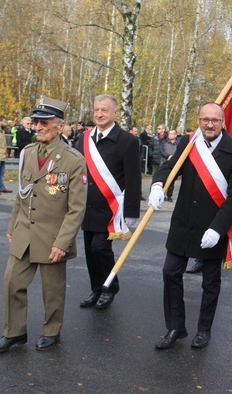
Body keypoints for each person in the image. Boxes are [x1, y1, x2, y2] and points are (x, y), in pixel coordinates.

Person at [0, 96, 87, 353]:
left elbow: (76, 208)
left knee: (52, 291)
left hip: (53, 236)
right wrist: (13, 227)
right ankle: (14, 332)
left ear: (60, 126)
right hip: (25, 231)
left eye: (45, 122)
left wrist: (62, 242)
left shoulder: (73, 159)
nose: (39, 127)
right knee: (12, 282)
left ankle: (51, 331)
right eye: (36, 122)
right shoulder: (27, 153)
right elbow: (21, 196)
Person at [148, 102, 232, 350]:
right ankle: (176, 327)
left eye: (215, 120)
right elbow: (169, 167)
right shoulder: (187, 144)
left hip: (213, 227)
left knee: (210, 282)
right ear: (199, 120)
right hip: (184, 223)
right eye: (205, 119)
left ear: (222, 122)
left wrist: (218, 228)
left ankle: (204, 329)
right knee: (170, 272)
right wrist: (157, 185)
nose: (210, 124)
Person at [77, 94, 141, 310]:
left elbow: (133, 178)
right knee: (89, 250)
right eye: (96, 109)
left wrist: (131, 211)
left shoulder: (128, 141)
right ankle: (96, 288)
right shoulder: (84, 139)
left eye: (104, 110)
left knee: (100, 248)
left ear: (114, 113)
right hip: (87, 205)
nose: (99, 114)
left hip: (111, 208)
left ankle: (109, 287)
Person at [160, 129, 178, 201]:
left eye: (172, 134)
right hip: (164, 163)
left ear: (175, 135)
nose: (170, 135)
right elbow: (161, 151)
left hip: (173, 164)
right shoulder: (164, 142)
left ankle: (169, 196)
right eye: (169, 133)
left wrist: (173, 157)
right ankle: (162, 194)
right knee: (163, 180)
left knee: (172, 180)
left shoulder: (178, 144)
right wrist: (168, 156)